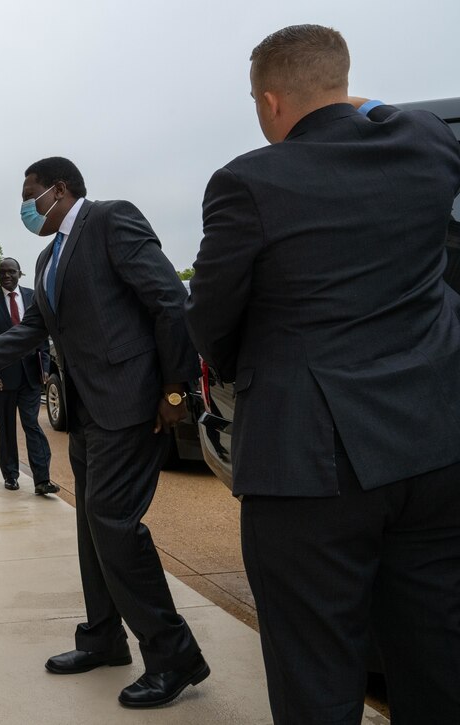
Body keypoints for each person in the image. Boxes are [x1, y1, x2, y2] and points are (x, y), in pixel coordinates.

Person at [185, 25, 460, 725]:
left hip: (308, 464)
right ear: (341, 84)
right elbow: (383, 110)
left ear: (271, 101)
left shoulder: (247, 181)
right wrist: (340, 97)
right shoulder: (427, 145)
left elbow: (211, 321)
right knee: (436, 656)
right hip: (432, 448)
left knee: (316, 671)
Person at [0, 157, 206, 709]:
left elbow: (170, 300)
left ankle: (174, 654)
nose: (25, 208)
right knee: (92, 526)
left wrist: (174, 389)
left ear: (59, 188)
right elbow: (33, 329)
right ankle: (103, 638)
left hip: (133, 404)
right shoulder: (48, 257)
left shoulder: (111, 220)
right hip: (87, 411)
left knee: (114, 524)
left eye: (30, 194)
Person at [0, 257, 56, 495]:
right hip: (1, 380)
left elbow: (42, 336)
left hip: (30, 376)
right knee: (7, 429)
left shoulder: (33, 297)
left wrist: (44, 369)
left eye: (11, 272)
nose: (6, 276)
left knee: (32, 425)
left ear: (20, 273)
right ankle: (10, 475)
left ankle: (42, 480)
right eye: (2, 273)